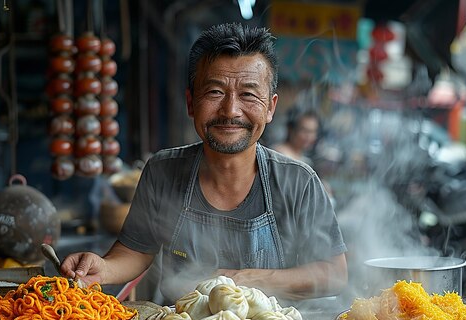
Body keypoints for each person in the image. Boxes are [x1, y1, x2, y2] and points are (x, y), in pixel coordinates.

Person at [61, 23, 347, 305]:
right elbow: (136, 251)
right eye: (215, 92)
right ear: (190, 103)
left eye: (248, 94)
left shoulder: (299, 182)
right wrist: (103, 268)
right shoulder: (163, 171)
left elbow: (334, 274)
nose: (231, 110)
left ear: (270, 107)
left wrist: (250, 280)